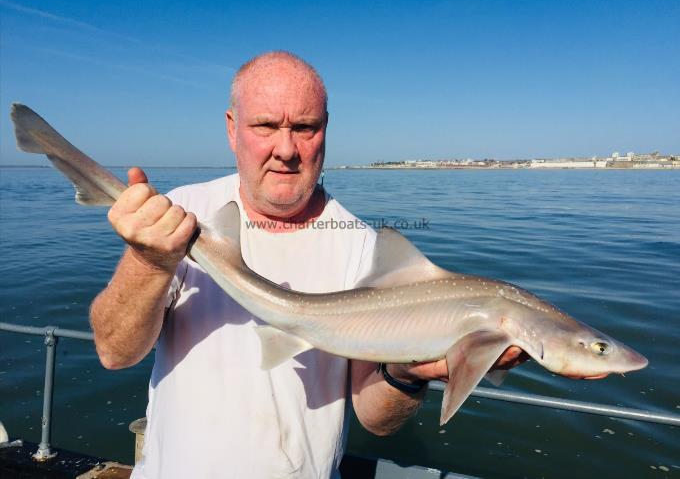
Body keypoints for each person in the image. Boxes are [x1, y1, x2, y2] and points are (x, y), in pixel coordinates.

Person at [90, 51, 525, 478]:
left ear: (326, 130)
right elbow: (114, 353)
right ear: (231, 128)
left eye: (304, 127)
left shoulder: (364, 247)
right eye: (265, 125)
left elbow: (377, 419)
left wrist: (407, 373)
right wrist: (148, 261)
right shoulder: (182, 213)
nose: (286, 149)